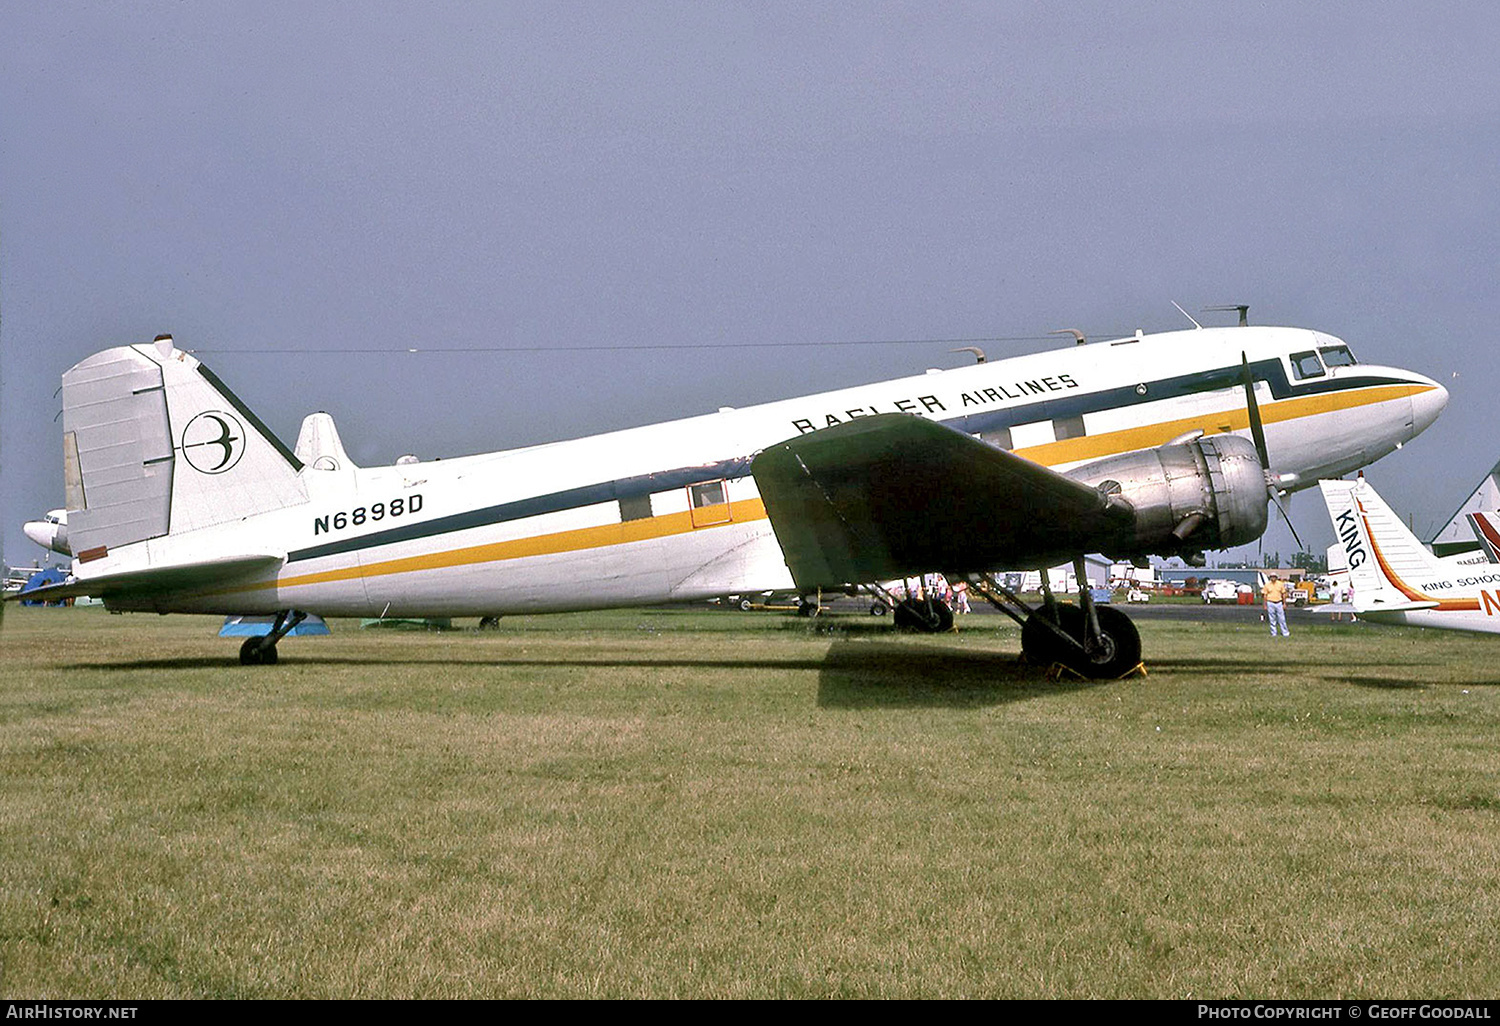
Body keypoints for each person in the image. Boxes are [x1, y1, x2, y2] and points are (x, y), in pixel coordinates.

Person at [1262, 573, 1290, 638]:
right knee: (1272, 619)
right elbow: (1265, 595)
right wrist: (1265, 604)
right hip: (1270, 602)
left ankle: (1285, 633)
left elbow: (1283, 594)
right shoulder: (1267, 585)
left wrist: (1284, 603)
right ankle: (1273, 633)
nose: (1273, 578)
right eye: (1271, 577)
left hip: (1279, 602)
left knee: (1282, 618)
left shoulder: (1280, 584)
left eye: (1274, 577)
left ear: (1276, 577)